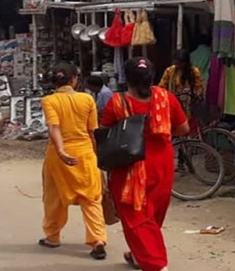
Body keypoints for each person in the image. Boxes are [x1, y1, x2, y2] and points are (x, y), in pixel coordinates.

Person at [102, 57, 189, 271]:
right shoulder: (166, 98)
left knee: (137, 218)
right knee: (153, 213)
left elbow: (106, 135)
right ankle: (138, 255)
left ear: (126, 78)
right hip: (161, 165)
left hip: (129, 167)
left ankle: (156, 265)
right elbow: (183, 129)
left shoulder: (116, 102)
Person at [39, 63, 107, 260]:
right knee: (91, 198)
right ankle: (97, 239)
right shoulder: (87, 99)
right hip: (85, 153)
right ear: (74, 80)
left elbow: (54, 127)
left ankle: (52, 236)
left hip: (57, 156)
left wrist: (61, 151)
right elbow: (92, 132)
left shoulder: (49, 101)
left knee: (54, 197)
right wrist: (98, 156)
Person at [159, 49, 204, 119]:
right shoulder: (169, 71)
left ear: (186, 62)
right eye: (176, 61)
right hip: (173, 102)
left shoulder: (194, 72)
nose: (178, 64)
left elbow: (199, 88)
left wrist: (195, 94)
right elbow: (162, 87)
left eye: (180, 62)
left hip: (189, 104)